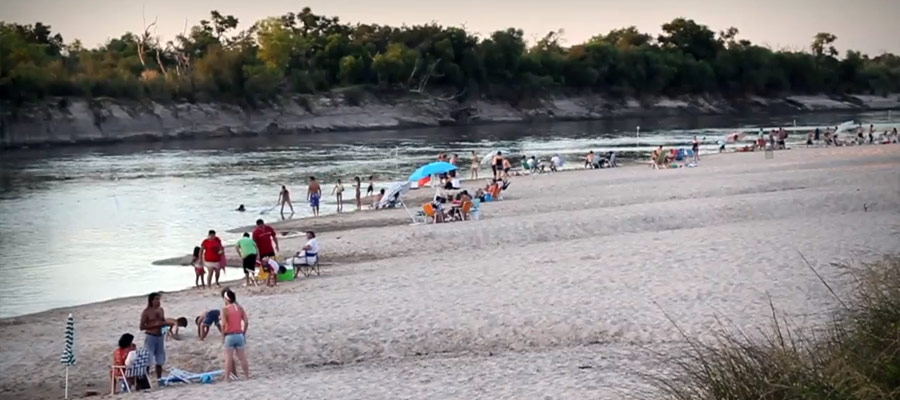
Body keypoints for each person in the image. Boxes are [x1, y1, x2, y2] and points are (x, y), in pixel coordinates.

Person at [140, 292, 172, 380]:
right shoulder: (146, 312)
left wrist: (166, 329)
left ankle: (159, 378)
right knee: (148, 359)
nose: (158, 301)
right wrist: (155, 325)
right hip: (151, 336)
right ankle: (145, 380)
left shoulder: (161, 310)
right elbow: (142, 327)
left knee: (160, 359)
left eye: (159, 299)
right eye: (156, 299)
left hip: (160, 336)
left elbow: (163, 322)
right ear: (151, 301)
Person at [221, 288, 250, 382]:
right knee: (242, 357)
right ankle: (247, 376)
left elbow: (223, 324)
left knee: (228, 358)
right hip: (239, 334)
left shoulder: (225, 309)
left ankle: (227, 378)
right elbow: (246, 322)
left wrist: (222, 335)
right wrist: (244, 332)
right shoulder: (240, 308)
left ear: (227, 299)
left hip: (229, 335)